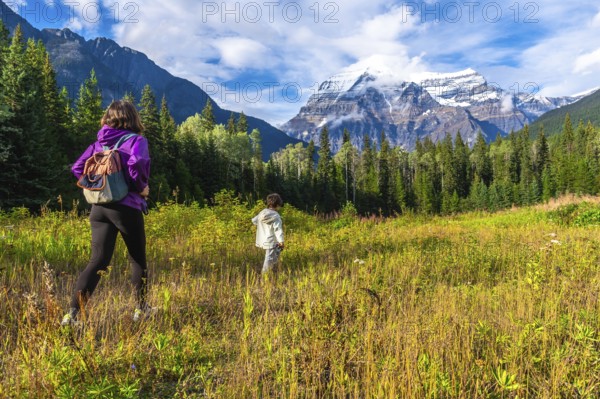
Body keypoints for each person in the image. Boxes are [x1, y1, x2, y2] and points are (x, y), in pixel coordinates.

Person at [61, 100, 151, 325]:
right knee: (137, 258)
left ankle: (71, 316)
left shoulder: (98, 144)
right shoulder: (136, 141)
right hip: (127, 207)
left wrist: (97, 183)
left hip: (99, 208)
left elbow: (77, 168)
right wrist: (141, 187)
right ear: (132, 118)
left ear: (108, 118)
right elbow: (137, 162)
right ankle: (141, 309)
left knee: (97, 261)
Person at [252, 193, 285, 274]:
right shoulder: (276, 216)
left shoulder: (262, 212)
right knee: (269, 259)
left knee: (273, 255)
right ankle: (264, 277)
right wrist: (281, 241)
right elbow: (278, 229)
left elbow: (254, 221)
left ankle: (272, 271)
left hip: (262, 239)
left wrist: (262, 225)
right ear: (277, 204)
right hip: (271, 240)